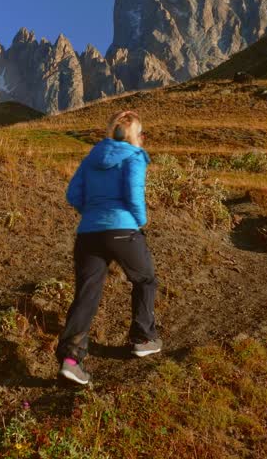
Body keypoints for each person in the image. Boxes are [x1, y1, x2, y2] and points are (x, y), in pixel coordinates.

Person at [55, 109, 161, 386]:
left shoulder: (92, 156)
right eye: (142, 134)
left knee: (86, 293)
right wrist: (139, 220)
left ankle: (71, 361)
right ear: (136, 135)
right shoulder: (134, 156)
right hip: (123, 229)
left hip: (89, 232)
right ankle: (143, 338)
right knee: (145, 279)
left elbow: (72, 194)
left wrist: (92, 213)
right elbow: (134, 192)